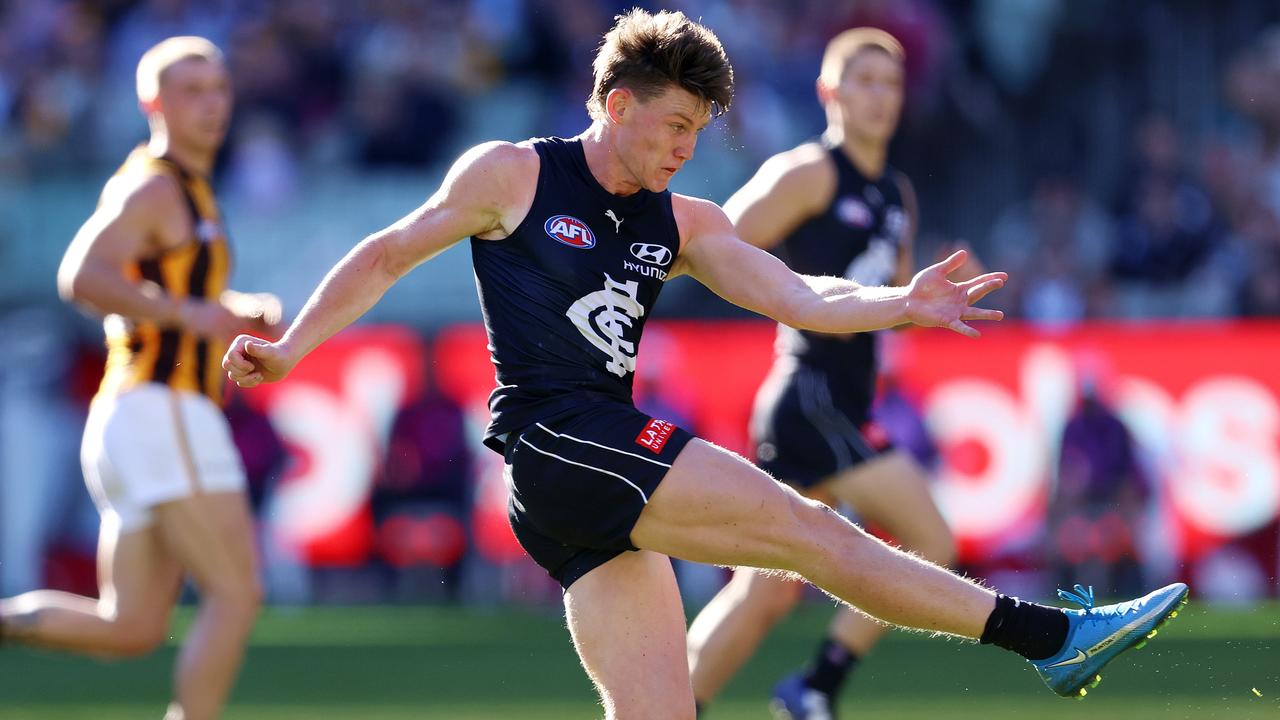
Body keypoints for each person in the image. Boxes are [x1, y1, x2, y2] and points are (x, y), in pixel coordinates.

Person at [222, 11, 1186, 719]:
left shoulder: (686, 221)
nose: (687, 149)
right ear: (616, 105)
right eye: (674, 126)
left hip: (584, 475)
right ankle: (1049, 637)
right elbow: (389, 251)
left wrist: (902, 303)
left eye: (698, 131)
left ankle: (1049, 639)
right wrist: (295, 345)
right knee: (816, 533)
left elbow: (800, 295)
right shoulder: (513, 174)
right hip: (563, 441)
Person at [683, 28, 962, 718]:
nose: (879, 97)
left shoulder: (896, 193)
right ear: (828, 91)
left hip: (840, 398)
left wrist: (924, 306)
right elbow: (716, 245)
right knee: (931, 538)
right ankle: (816, 687)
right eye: (863, 81)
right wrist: (795, 296)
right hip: (810, 395)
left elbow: (893, 305)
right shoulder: (809, 172)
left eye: (891, 83)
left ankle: (668, 703)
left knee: (766, 589)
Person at [0, 37, 279, 720]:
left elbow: (166, 294)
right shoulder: (157, 184)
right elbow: (82, 274)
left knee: (131, 628)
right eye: (191, 91)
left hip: (137, 420)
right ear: (150, 102)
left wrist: (230, 310)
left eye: (218, 89)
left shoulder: (187, 187)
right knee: (236, 593)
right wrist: (193, 313)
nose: (211, 104)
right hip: (161, 412)